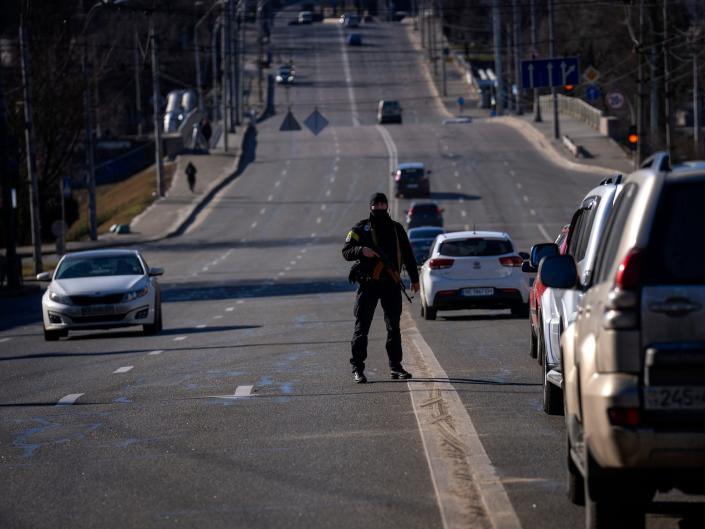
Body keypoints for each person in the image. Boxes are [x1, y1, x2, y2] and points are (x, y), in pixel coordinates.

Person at [342, 192, 420, 383]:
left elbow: (408, 255)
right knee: (362, 328)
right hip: (368, 284)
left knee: (393, 327)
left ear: (388, 206)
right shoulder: (360, 228)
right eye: (376, 205)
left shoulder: (396, 228)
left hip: (391, 283)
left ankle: (396, 367)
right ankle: (358, 369)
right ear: (370, 207)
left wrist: (414, 279)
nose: (380, 208)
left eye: (383, 204)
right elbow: (346, 251)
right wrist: (361, 250)